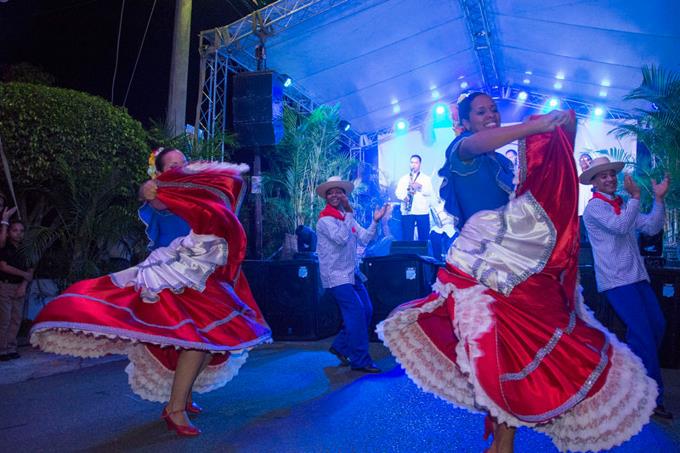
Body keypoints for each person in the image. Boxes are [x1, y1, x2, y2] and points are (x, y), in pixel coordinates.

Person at [378, 92, 656, 452]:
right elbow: (477, 144)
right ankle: (501, 446)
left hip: (512, 268)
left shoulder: (500, 163)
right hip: (478, 270)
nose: (490, 115)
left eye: (493, 109)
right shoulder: (462, 150)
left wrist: (557, 132)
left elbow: (538, 185)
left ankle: (500, 445)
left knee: (517, 353)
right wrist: (535, 125)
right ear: (464, 121)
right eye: (481, 111)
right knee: (495, 356)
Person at [31, 149, 272, 437]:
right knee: (197, 340)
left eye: (182, 162)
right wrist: (145, 190)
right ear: (159, 172)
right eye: (172, 165)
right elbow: (152, 196)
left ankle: (180, 398)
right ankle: (175, 409)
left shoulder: (196, 188)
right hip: (173, 273)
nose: (179, 167)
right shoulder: (163, 190)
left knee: (213, 341)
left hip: (204, 271)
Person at [581, 156, 673, 420]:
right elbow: (620, 227)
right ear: (594, 182)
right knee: (644, 333)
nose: (610, 179)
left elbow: (651, 226)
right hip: (616, 280)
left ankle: (626, 377)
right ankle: (651, 399)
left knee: (657, 326)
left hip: (637, 276)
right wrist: (634, 198)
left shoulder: (622, 202)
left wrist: (658, 199)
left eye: (612, 174)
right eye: (603, 176)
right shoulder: (594, 209)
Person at [316, 176, 387, 373]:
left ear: (344, 195)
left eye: (338, 191)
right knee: (356, 313)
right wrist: (348, 213)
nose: (334, 195)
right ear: (326, 197)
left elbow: (364, 239)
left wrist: (375, 221)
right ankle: (360, 360)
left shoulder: (347, 217)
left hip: (351, 273)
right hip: (336, 276)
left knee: (367, 310)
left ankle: (340, 346)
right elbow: (340, 238)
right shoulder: (325, 220)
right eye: (330, 192)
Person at [0, 220, 32, 361]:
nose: (18, 233)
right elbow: (3, 267)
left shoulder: (26, 250)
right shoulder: (4, 247)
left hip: (19, 287)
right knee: (4, 319)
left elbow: (30, 269)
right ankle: (2, 349)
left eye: (21, 231)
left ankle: (11, 347)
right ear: (8, 233)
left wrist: (24, 284)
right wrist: (23, 274)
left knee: (15, 319)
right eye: (15, 230)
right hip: (5, 286)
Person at [395, 155, 433, 241]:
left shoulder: (426, 178)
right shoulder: (404, 178)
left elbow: (429, 192)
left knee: (423, 238)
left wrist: (420, 187)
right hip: (407, 211)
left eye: (416, 162)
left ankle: (423, 254)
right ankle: (408, 254)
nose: (413, 165)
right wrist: (404, 197)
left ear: (420, 164)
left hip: (422, 211)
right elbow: (397, 192)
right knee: (407, 238)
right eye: (412, 162)